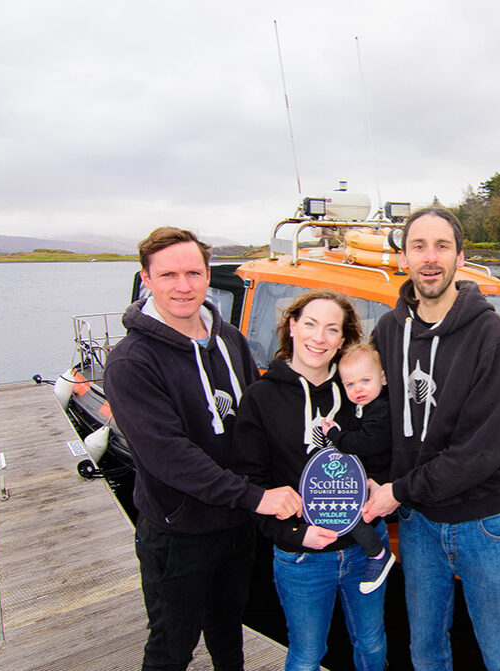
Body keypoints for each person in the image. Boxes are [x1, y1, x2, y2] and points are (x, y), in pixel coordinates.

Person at [104, 226, 302, 671]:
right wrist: (257, 497)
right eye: (169, 274)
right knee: (172, 645)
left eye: (193, 272)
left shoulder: (229, 338)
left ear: (208, 275)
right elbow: (169, 456)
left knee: (229, 626)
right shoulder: (131, 362)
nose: (183, 286)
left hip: (236, 524)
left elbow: (257, 418)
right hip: (180, 530)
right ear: (146, 279)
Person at [364, 206, 500, 670]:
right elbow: (368, 412)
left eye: (442, 246)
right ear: (404, 256)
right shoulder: (388, 330)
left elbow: (482, 451)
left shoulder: (492, 335)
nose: (430, 257)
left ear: (461, 255)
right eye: (418, 246)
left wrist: (396, 491)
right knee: (426, 650)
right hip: (418, 523)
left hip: (483, 522)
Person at [232, 290, 388, 671]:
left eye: (332, 329)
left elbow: (389, 446)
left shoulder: (357, 390)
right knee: (306, 655)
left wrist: (386, 485)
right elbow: (250, 480)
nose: (319, 338)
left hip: (364, 547)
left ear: (342, 338)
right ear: (292, 326)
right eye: (311, 324)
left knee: (371, 644)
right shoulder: (260, 397)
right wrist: (292, 533)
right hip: (301, 554)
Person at [320, 342, 395, 594]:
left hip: (383, 475)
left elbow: (368, 442)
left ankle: (378, 554)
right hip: (370, 473)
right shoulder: (365, 407)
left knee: (351, 514)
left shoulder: (382, 410)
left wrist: (337, 437)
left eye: (365, 380)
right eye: (350, 384)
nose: (358, 389)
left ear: (383, 379)